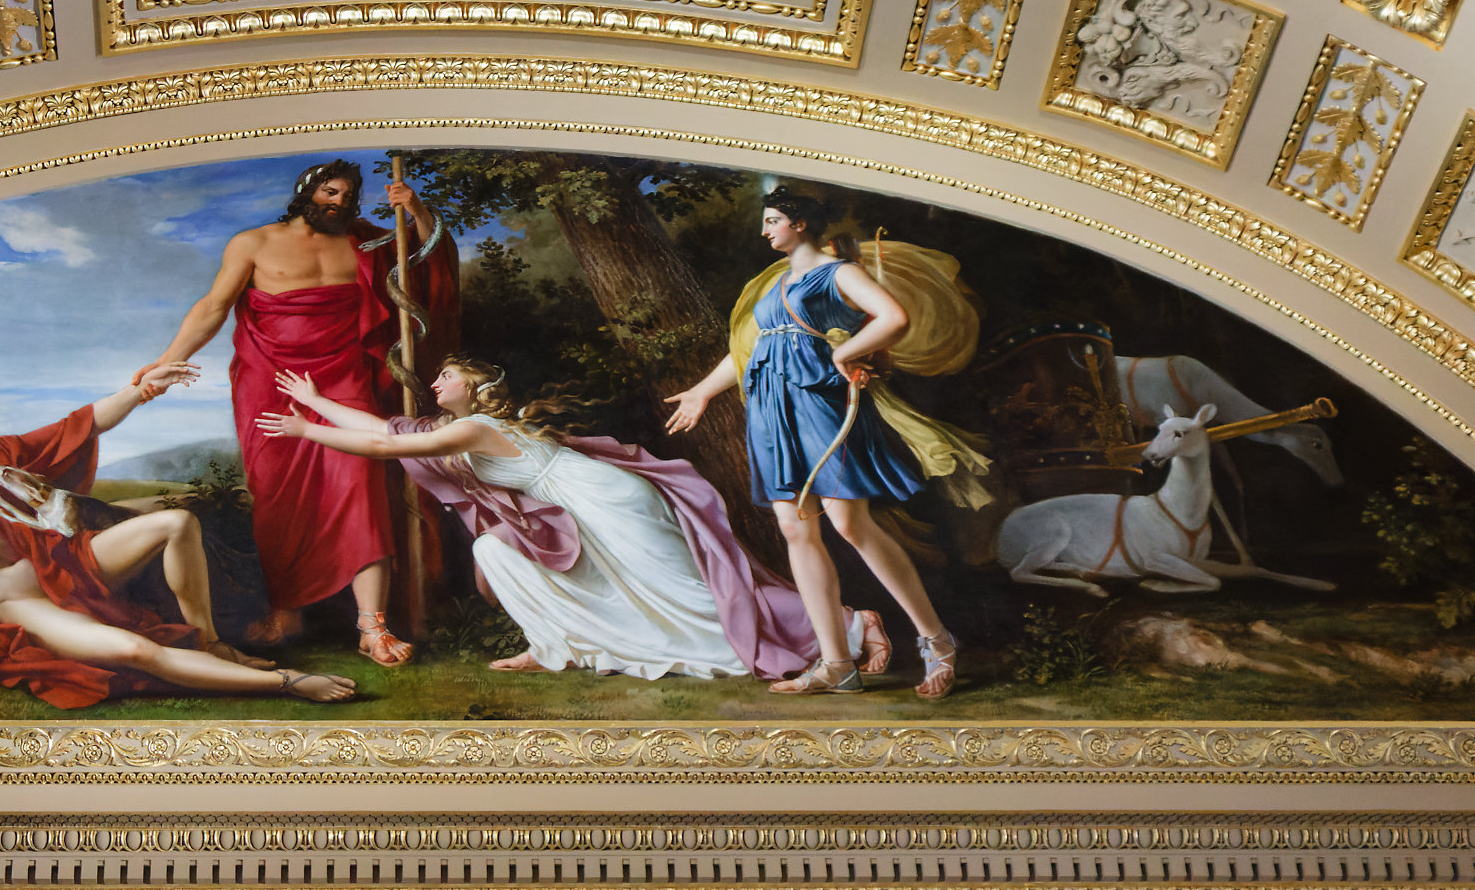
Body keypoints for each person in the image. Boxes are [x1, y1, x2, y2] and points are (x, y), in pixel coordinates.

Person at [258, 357, 885, 682]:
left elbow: (383, 447)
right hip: (585, 505)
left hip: (607, 500)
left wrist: (305, 431)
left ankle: (854, 624)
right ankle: (554, 645)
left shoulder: (475, 428)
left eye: (447, 375)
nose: (436, 381)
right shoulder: (455, 427)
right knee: (507, 555)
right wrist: (316, 402)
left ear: (473, 388)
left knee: (693, 593)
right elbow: (384, 429)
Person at [0, 362, 354, 707]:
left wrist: (143, 389)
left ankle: (207, 643)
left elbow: (77, 426)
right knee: (134, 651)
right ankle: (289, 683)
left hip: (63, 564)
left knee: (176, 521)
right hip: (20, 603)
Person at [147, 160, 459, 661]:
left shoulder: (369, 243)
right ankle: (287, 608)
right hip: (270, 381)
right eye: (330, 192)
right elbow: (213, 307)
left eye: (347, 196)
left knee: (360, 490)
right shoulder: (253, 243)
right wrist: (166, 362)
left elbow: (428, 260)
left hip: (344, 378)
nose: (339, 202)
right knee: (278, 498)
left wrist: (416, 209)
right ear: (305, 191)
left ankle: (372, 627)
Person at [665, 188, 959, 697]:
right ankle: (837, 663)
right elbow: (750, 349)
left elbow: (893, 319)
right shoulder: (775, 283)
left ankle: (937, 640)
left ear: (800, 224)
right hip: (770, 410)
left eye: (773, 220)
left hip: (819, 403)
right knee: (795, 529)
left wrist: (846, 354)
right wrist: (702, 392)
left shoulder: (838, 272)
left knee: (849, 523)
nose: (765, 230)